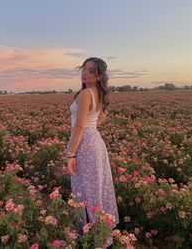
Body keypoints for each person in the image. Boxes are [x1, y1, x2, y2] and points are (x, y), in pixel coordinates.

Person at [66, 57, 119, 248]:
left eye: (90, 70)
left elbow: (79, 126)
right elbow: (101, 117)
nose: (84, 73)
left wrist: (71, 154)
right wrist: (91, 129)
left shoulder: (86, 93)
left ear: (98, 76)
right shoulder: (98, 93)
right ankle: (102, 237)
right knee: (97, 188)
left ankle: (90, 238)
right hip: (95, 142)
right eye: (84, 69)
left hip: (84, 145)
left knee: (84, 190)